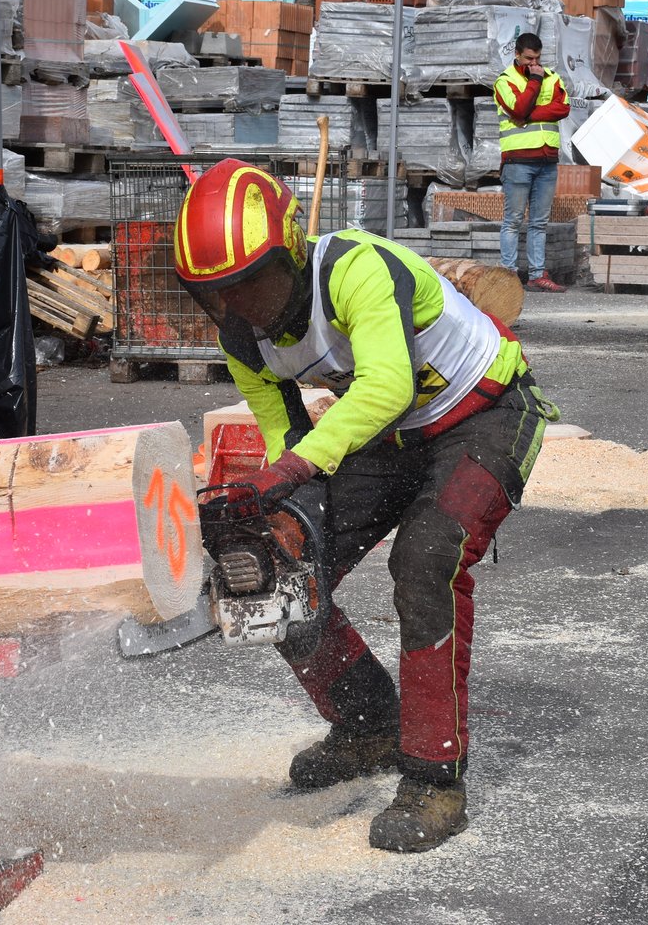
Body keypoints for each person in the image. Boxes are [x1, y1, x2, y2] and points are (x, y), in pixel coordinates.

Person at [172, 160, 559, 852]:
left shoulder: (356, 268)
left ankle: (435, 778)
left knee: (427, 559)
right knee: (275, 566)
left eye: (251, 284)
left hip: (485, 411)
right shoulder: (240, 337)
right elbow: (286, 433)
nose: (239, 307)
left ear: (292, 253)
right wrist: (282, 512)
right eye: (218, 294)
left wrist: (289, 472)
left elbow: (385, 386)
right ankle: (367, 723)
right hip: (389, 435)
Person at [493, 31, 570, 293]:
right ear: (517, 54)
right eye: (528, 59)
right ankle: (508, 276)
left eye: (537, 58)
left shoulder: (552, 77)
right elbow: (518, 108)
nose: (534, 64)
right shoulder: (505, 81)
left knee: (539, 222)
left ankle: (537, 275)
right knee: (513, 221)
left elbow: (563, 108)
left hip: (547, 161)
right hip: (518, 161)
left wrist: (529, 115)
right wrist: (535, 82)